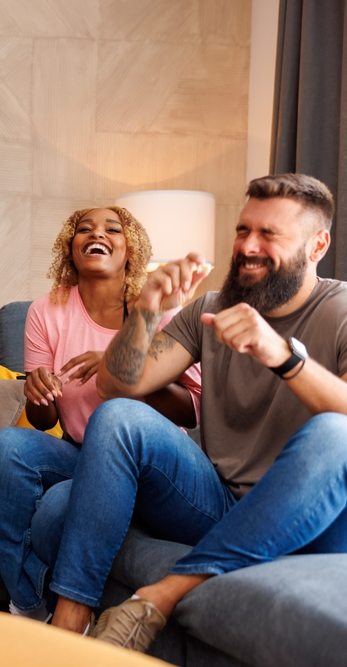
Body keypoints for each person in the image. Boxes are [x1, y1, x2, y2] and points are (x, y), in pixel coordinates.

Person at [43, 174, 347, 652]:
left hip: (309, 517)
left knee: (337, 433)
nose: (249, 246)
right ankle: (68, 628)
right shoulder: (210, 307)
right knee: (119, 417)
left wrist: (283, 355)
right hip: (220, 501)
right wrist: (146, 307)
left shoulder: (342, 310)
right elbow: (117, 384)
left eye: (269, 235)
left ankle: (164, 593)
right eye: (244, 230)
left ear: (318, 245)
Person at [0, 207, 201, 625]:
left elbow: (191, 408)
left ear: (130, 250)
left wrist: (120, 367)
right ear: (70, 248)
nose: (95, 234)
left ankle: (69, 621)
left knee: (51, 514)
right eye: (83, 229)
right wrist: (38, 391)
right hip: (79, 453)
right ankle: (27, 605)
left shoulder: (159, 309)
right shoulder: (47, 311)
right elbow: (44, 419)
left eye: (111, 229)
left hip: (146, 462)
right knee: (7, 445)